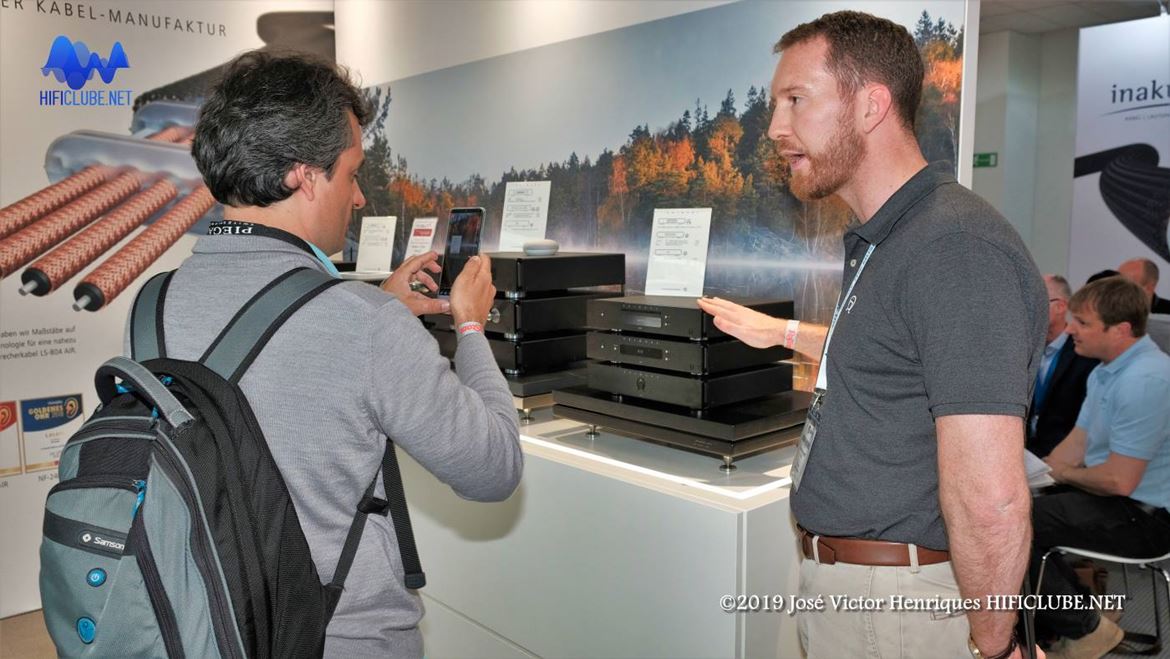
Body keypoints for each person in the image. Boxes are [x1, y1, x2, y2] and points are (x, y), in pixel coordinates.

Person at [146, 51, 523, 657]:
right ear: (305, 175)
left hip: (200, 624)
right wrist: (471, 325)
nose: (359, 199)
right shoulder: (362, 326)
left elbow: (274, 398)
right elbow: (493, 468)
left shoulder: (153, 303)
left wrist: (378, 306)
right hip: (335, 639)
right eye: (352, 173)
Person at [696, 11, 1047, 659]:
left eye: (797, 100)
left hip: (898, 610)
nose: (775, 127)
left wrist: (993, 647)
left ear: (870, 106)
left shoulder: (954, 246)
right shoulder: (892, 238)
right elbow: (887, 364)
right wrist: (777, 330)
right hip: (861, 596)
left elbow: (990, 498)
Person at [1035, 276, 1170, 658]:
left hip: (1147, 519)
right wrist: (1033, 474)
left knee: (1015, 525)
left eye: (1083, 323)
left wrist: (1060, 475)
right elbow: (1074, 447)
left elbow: (1119, 481)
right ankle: (1084, 619)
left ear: (1121, 330)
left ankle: (1084, 628)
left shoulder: (1145, 380)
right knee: (1011, 510)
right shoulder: (1105, 370)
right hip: (1118, 501)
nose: (1071, 329)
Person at [1027, 275, 1099, 458]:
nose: (1026, 308)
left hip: (1065, 460)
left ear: (1060, 307)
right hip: (1022, 454)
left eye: (1033, 300)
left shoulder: (1086, 354)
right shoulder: (1020, 350)